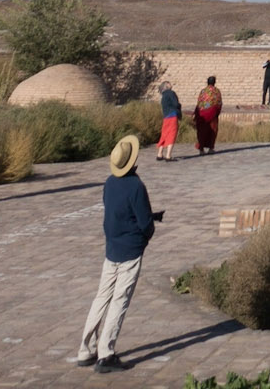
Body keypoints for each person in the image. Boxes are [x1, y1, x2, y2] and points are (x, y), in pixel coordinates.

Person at [72, 134, 162, 372]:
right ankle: (106, 353)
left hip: (111, 248)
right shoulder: (136, 186)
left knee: (101, 297)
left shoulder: (109, 182)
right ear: (133, 161)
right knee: (120, 300)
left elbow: (116, 211)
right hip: (130, 249)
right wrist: (145, 237)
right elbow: (145, 223)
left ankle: (86, 348)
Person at [194, 74, 223, 154]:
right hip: (213, 115)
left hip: (202, 115)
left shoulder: (203, 91)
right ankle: (210, 148)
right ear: (214, 82)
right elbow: (219, 103)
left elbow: (199, 102)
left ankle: (201, 149)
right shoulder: (216, 91)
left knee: (202, 131)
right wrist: (216, 112)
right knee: (212, 131)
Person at [155, 83, 181, 161]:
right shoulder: (171, 93)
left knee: (164, 134)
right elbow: (176, 104)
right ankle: (168, 155)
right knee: (172, 134)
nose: (171, 84)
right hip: (172, 115)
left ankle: (159, 154)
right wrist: (179, 106)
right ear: (166, 86)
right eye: (168, 84)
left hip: (166, 116)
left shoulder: (163, 96)